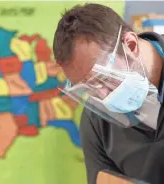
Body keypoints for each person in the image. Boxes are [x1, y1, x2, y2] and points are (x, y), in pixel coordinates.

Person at [53, 3, 164, 184]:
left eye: (103, 78)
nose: (103, 96)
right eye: (87, 88)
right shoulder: (96, 121)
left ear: (131, 45)